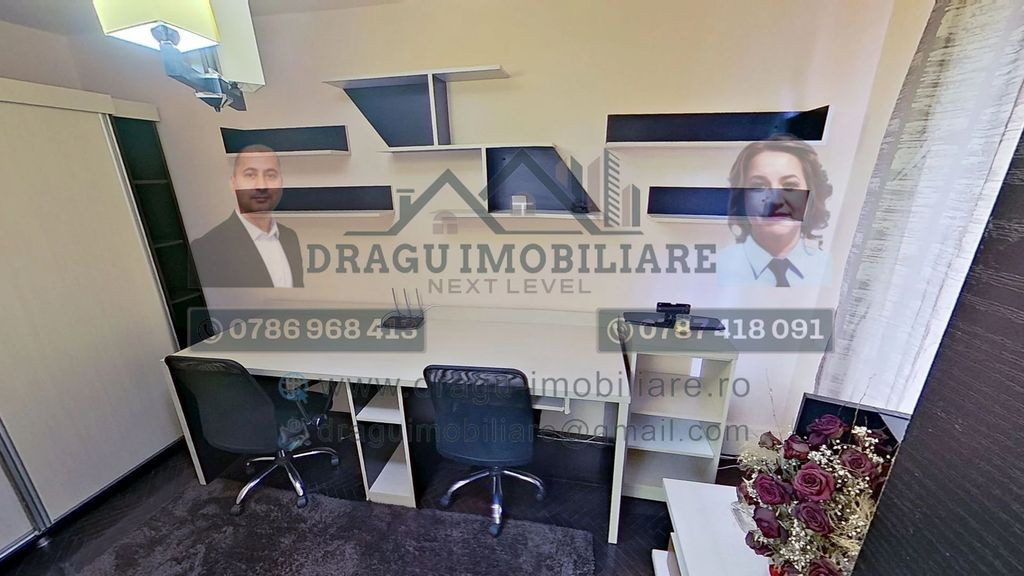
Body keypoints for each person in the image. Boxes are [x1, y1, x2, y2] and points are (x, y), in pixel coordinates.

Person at [717, 135, 832, 287]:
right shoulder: (716, 270)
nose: (775, 199)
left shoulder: (831, 271)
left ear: (811, 196)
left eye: (790, 185)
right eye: (759, 186)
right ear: (741, 198)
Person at [191, 144, 304, 288]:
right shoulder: (206, 249)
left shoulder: (290, 237)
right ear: (233, 183)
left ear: (281, 182)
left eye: (270, 175)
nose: (261, 185)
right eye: (250, 175)